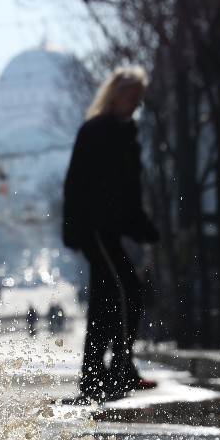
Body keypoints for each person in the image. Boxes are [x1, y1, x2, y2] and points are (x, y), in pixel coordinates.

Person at [62, 65, 161, 402]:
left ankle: (97, 374)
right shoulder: (96, 130)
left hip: (111, 228)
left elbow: (129, 190)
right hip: (95, 228)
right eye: (131, 97)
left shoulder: (125, 133)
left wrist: (141, 226)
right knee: (126, 290)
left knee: (107, 299)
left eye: (139, 99)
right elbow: (76, 184)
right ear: (116, 95)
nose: (136, 104)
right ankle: (117, 368)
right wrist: (74, 230)